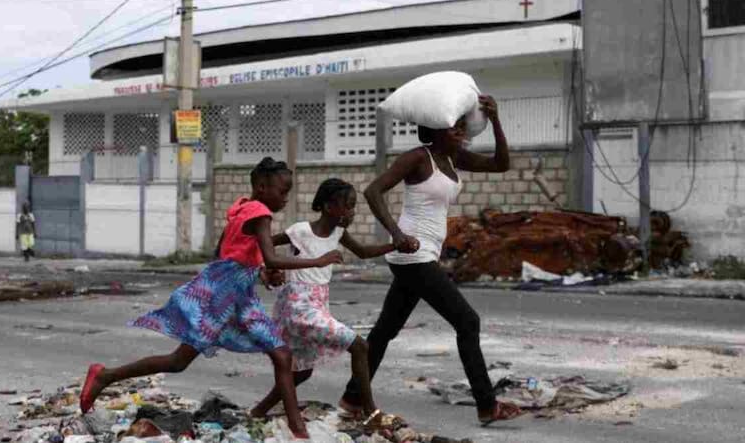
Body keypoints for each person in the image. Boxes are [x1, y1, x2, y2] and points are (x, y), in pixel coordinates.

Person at [78, 157, 343, 439]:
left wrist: (260, 274)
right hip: (225, 301)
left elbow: (229, 254)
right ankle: (298, 431)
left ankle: (105, 375)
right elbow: (270, 256)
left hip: (231, 297)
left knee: (196, 360)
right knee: (272, 355)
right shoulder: (260, 212)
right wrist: (318, 260)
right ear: (262, 187)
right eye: (282, 191)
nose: (285, 198)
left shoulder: (241, 207)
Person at [339, 96, 524, 426]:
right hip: (413, 254)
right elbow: (373, 191)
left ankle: (352, 399)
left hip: (420, 255)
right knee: (467, 321)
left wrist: (496, 119)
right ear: (436, 130)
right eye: (453, 127)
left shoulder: (454, 158)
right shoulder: (417, 158)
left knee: (384, 331)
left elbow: (501, 164)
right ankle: (487, 405)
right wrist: (396, 233)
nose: (461, 131)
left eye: (462, 126)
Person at [250, 178, 401, 429]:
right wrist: (264, 270)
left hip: (318, 304)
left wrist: (395, 245)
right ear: (329, 207)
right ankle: (370, 413)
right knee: (359, 346)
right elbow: (263, 245)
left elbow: (363, 252)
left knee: (302, 372)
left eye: (353, 206)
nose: (352, 212)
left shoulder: (339, 232)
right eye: (348, 206)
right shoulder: (300, 231)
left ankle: (258, 411)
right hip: (297, 306)